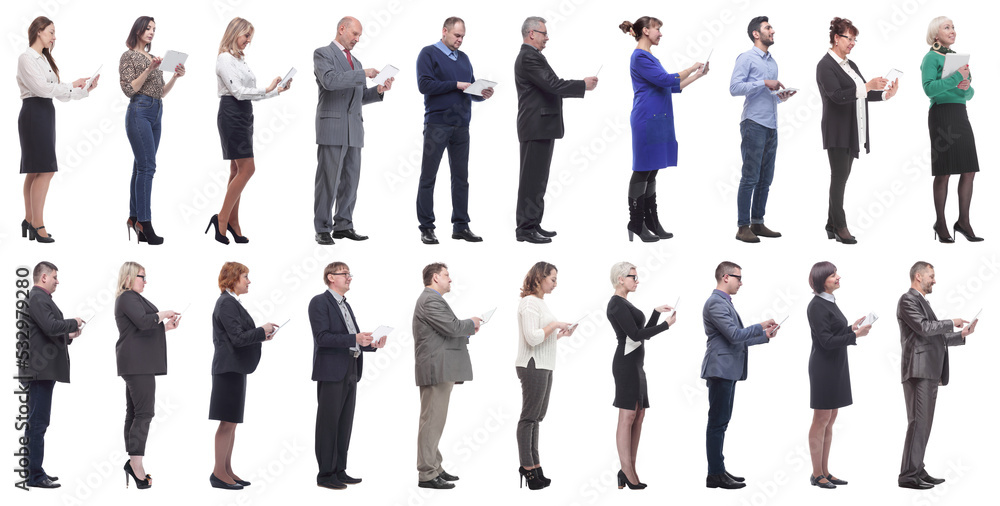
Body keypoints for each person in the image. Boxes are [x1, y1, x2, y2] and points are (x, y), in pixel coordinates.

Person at [619, 17, 707, 242]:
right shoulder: (639, 56)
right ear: (646, 31)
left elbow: (670, 86)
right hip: (647, 119)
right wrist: (691, 67)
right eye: (658, 29)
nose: (660, 33)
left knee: (653, 170)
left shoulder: (650, 57)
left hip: (658, 120)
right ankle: (636, 223)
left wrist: (697, 76)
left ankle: (652, 221)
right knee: (642, 169)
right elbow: (666, 79)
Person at [513, 16, 598, 244]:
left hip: (542, 127)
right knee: (531, 180)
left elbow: (552, 84)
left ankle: (533, 223)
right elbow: (553, 85)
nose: (547, 38)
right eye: (544, 33)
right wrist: (582, 85)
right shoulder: (528, 57)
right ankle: (525, 229)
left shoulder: (535, 56)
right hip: (535, 127)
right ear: (531, 34)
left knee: (539, 180)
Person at [208, 17, 291, 244]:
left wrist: (276, 91)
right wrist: (267, 88)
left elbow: (249, 92)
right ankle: (221, 218)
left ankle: (233, 221)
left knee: (237, 169)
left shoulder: (240, 60)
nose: (248, 42)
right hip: (232, 113)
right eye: (246, 36)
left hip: (244, 113)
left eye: (250, 38)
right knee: (248, 168)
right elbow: (238, 91)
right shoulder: (224, 59)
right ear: (235, 33)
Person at [313, 16, 394, 245]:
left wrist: (378, 89)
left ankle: (343, 226)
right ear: (342, 29)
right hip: (332, 126)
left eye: (359, 36)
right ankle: (322, 228)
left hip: (354, 129)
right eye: (354, 34)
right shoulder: (322, 54)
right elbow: (330, 81)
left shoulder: (356, 63)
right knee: (328, 180)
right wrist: (363, 74)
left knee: (351, 180)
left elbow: (358, 98)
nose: (357, 39)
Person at [816, 17, 898, 245]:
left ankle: (830, 224)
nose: (852, 43)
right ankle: (840, 226)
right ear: (836, 38)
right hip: (837, 130)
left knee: (841, 178)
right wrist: (867, 86)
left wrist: (884, 94)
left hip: (851, 130)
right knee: (839, 178)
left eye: (855, 39)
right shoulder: (825, 65)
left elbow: (862, 92)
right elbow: (837, 96)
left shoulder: (850, 65)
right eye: (848, 38)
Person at [17, 16, 98, 244]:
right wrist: (71, 85)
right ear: (39, 31)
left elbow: (57, 93)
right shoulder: (26, 58)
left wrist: (84, 89)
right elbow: (43, 89)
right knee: (44, 169)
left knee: (36, 169)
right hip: (34, 113)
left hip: (44, 112)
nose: (54, 37)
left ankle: (29, 220)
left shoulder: (43, 59)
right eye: (51, 32)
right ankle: (37, 224)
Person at [897, 261, 977, 489]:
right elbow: (924, 328)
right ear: (918, 276)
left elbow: (933, 336)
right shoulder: (907, 300)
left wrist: (961, 335)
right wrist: (950, 322)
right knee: (918, 423)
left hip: (928, 370)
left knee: (923, 424)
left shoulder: (921, 301)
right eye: (931, 276)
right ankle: (908, 476)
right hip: (918, 370)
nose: (935, 280)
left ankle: (916, 469)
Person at [415, 17, 494, 245]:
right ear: (444, 31)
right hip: (437, 124)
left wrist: (481, 94)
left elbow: (469, 89)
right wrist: (456, 84)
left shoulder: (464, 58)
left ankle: (461, 226)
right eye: (456, 35)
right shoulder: (428, 53)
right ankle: (427, 228)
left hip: (462, 126)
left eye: (462, 37)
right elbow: (424, 85)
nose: (460, 40)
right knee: (428, 177)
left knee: (461, 178)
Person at [308, 262, 386, 490]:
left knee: (344, 423)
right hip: (331, 371)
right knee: (328, 424)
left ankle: (339, 470)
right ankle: (325, 475)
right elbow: (322, 337)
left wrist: (371, 344)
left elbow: (352, 338)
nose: (350, 277)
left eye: (349, 274)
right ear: (331, 277)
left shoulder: (345, 304)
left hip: (351, 368)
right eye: (345, 274)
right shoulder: (319, 302)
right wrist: (354, 339)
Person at [701, 261, 777, 489]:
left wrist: (764, 335)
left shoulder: (724, 303)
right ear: (725, 277)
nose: (741, 282)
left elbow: (735, 339)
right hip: (720, 370)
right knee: (717, 423)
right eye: (738, 277)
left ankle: (718, 470)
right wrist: (759, 325)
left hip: (727, 370)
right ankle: (714, 474)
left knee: (721, 422)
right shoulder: (715, 303)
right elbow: (734, 335)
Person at [209, 262, 278, 490]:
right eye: (246, 277)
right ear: (233, 278)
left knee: (232, 423)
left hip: (234, 369)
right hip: (228, 369)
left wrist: (261, 336)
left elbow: (238, 336)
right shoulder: (227, 303)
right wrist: (262, 330)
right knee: (227, 423)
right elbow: (237, 338)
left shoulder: (230, 302)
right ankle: (219, 473)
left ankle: (227, 470)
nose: (249, 281)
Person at [412, 263, 481, 489]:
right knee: (431, 422)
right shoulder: (430, 300)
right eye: (446, 275)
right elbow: (451, 328)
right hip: (436, 368)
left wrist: (468, 328)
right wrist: (470, 323)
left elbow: (445, 331)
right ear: (435, 278)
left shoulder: (433, 300)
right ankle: (427, 474)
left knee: (435, 422)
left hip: (441, 368)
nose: (450, 279)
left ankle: (435, 466)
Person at [607, 262, 675, 489]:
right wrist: (665, 326)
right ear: (620, 279)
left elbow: (640, 335)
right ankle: (626, 470)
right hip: (625, 365)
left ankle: (631, 468)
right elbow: (635, 335)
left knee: (639, 414)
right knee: (626, 416)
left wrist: (655, 313)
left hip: (636, 364)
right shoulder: (616, 304)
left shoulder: (625, 302)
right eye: (633, 277)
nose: (637, 281)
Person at [114, 262, 182, 489]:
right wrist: (163, 314)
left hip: (137, 362)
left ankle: (133, 462)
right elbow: (144, 322)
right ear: (129, 277)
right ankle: (136, 465)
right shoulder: (127, 298)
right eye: (142, 276)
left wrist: (166, 327)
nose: (145, 281)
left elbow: (140, 329)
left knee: (134, 413)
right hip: (137, 364)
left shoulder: (133, 299)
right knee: (144, 413)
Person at [119, 16, 186, 245]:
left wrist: (175, 77)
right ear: (137, 30)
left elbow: (161, 91)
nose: (151, 32)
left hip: (157, 110)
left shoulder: (152, 57)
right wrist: (149, 69)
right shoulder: (129, 55)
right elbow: (129, 89)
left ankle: (134, 217)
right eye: (148, 28)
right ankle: (145, 223)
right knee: (147, 166)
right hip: (139, 111)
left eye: (154, 29)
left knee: (140, 166)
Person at [805, 261, 871, 489]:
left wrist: (851, 328)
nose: (838, 277)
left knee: (831, 419)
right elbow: (825, 341)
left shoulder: (830, 302)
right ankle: (816, 474)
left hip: (837, 365)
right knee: (821, 419)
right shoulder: (816, 306)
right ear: (822, 280)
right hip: (824, 367)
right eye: (833, 275)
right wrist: (855, 336)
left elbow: (834, 332)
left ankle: (825, 471)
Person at [730, 16, 796, 243]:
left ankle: (757, 222)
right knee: (750, 177)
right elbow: (734, 88)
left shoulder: (772, 62)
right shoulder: (746, 58)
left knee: (765, 179)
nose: (773, 31)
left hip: (771, 125)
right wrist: (763, 83)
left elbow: (768, 96)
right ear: (756, 34)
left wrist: (780, 97)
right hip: (753, 124)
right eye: (768, 28)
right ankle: (742, 227)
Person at [19, 261, 84, 489]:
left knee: (37, 422)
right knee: (37, 423)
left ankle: (34, 470)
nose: (58, 280)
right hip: (39, 371)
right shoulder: (37, 297)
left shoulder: (41, 299)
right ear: (44, 277)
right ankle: (34, 476)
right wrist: (72, 322)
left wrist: (68, 336)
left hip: (42, 369)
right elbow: (49, 326)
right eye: (55, 276)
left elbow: (43, 332)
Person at [515, 262, 575, 490]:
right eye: (553, 279)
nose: (555, 284)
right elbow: (532, 338)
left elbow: (541, 337)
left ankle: (535, 466)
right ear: (539, 278)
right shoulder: (529, 302)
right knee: (529, 418)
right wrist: (554, 325)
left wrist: (560, 334)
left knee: (537, 418)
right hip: (532, 365)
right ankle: (527, 468)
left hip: (544, 364)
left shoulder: (540, 302)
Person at [921, 17, 982, 242]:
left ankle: (963, 222)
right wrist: (957, 77)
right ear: (936, 35)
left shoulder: (958, 60)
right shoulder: (930, 58)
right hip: (941, 114)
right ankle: (941, 223)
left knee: (969, 169)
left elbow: (969, 94)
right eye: (947, 27)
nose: (952, 30)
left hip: (960, 114)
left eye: (953, 27)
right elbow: (929, 89)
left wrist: (966, 86)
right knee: (944, 171)